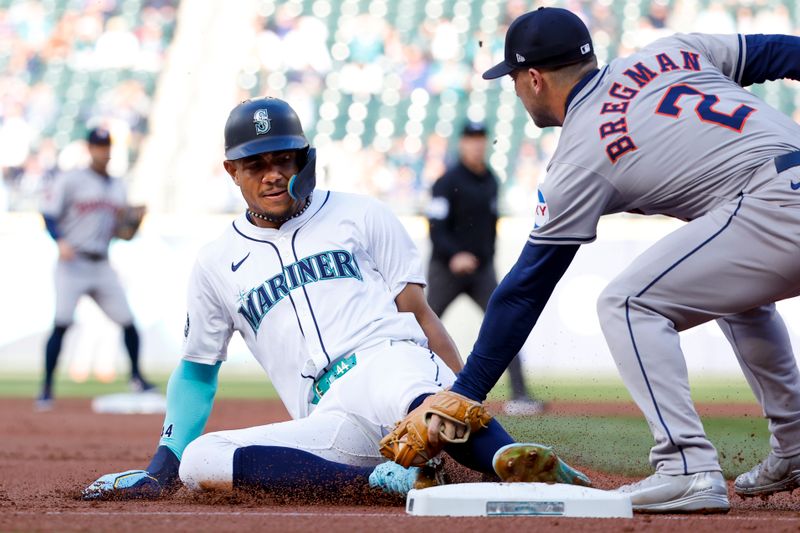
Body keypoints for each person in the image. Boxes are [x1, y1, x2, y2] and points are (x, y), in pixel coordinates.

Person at [82, 97, 590, 500]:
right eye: (255, 163)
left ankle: (510, 463)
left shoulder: (359, 214)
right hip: (327, 415)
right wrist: (161, 467)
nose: (273, 173)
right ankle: (390, 482)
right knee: (202, 461)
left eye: (284, 158)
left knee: (412, 395)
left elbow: (418, 315)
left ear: (305, 157)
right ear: (230, 171)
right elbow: (197, 369)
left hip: (391, 363)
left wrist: (465, 396)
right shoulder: (216, 261)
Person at [412, 7, 800, 514]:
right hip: (781, 187)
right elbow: (784, 51)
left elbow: (526, 288)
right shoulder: (671, 51)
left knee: (627, 303)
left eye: (512, 78)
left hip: (774, 206)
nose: (514, 89)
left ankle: (685, 466)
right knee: (737, 299)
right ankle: (794, 445)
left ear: (533, 79)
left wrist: (465, 394)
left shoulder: (579, 154)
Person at [426, 120, 545, 415]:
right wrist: (455, 255)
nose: (476, 144)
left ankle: (520, 396)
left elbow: (491, 228)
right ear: (462, 143)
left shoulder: (491, 179)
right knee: (421, 328)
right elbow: (436, 228)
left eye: (481, 138)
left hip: (481, 270)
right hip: (447, 269)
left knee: (506, 323)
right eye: (470, 138)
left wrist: (486, 257)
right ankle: (413, 392)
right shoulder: (446, 181)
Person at [37, 127, 154, 411]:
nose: (103, 151)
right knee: (62, 322)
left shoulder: (117, 186)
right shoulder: (72, 180)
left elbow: (121, 230)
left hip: (101, 262)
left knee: (128, 322)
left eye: (107, 146)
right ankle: (46, 388)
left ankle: (137, 378)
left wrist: (130, 224)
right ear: (89, 149)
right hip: (72, 262)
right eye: (98, 146)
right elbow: (48, 212)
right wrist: (60, 240)